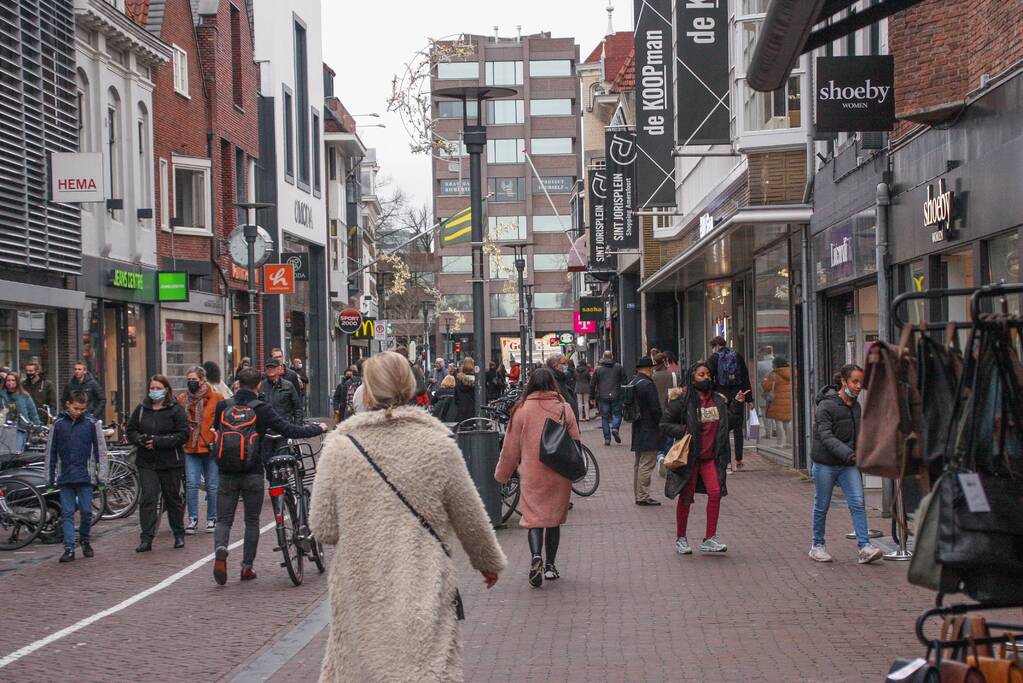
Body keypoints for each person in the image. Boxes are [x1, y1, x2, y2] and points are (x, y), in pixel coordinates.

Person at [309, 352, 505, 680]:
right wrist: (488, 562)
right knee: (425, 667)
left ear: (367, 392)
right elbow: (468, 513)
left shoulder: (340, 448)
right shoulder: (437, 444)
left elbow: (323, 528)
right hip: (422, 581)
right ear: (411, 387)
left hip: (362, 588)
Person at [212, 368, 327, 584]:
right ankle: (247, 567)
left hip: (226, 471)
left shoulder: (223, 406)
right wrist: (318, 429)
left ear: (237, 383)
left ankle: (220, 549)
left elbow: (215, 432)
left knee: (223, 519)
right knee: (252, 521)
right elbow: (289, 429)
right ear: (258, 386)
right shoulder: (261, 409)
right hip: (253, 471)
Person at [495, 368, 578, 587]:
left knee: (534, 518)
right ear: (553, 383)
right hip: (559, 472)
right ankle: (550, 566)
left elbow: (510, 448)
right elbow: (576, 442)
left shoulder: (521, 410)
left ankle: (535, 557)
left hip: (532, 472)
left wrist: (503, 475)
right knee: (554, 519)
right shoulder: (564, 408)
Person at [661, 362, 741, 555]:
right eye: (701, 374)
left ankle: (710, 538)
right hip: (689, 457)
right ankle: (681, 538)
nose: (706, 378)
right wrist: (684, 430)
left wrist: (737, 404)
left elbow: (728, 423)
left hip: (710, 457)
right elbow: (664, 423)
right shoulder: (682, 399)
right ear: (692, 377)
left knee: (715, 492)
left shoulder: (718, 400)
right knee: (686, 497)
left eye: (708, 374)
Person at [809, 364, 883, 565]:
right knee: (821, 505)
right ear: (844, 381)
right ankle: (817, 545)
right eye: (855, 382)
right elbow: (825, 435)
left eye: (861, 382)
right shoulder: (826, 406)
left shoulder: (856, 406)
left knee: (858, 503)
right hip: (826, 464)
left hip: (848, 464)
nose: (859, 386)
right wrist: (850, 455)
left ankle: (864, 547)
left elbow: (858, 434)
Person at [126, 375, 190, 552]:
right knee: (148, 498)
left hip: (170, 461)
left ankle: (178, 533)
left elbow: (184, 434)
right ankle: (146, 538)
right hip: (147, 462)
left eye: (157, 388)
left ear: (166, 390)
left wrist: (158, 441)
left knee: (173, 499)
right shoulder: (141, 409)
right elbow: (130, 430)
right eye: (152, 388)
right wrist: (140, 439)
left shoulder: (176, 410)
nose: (154, 391)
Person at [45, 391, 108, 563]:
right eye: (75, 408)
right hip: (65, 476)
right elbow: (50, 452)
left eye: (82, 409)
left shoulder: (91, 424)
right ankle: (69, 548)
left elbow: (100, 451)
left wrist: (102, 477)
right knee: (67, 513)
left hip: (85, 476)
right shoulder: (58, 424)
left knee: (87, 512)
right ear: (68, 405)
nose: (78, 412)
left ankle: (85, 539)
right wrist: (49, 479)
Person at [179, 366, 223, 534]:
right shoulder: (183, 399)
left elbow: (221, 421)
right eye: (189, 380)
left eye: (194, 380)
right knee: (191, 484)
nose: (191, 383)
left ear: (203, 380)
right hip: (190, 447)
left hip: (209, 447)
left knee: (212, 485)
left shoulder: (216, 398)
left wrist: (215, 434)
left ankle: (212, 518)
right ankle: (192, 519)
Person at [708, 337, 752, 472]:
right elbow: (745, 377)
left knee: (724, 429)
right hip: (738, 395)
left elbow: (710, 379)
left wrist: (712, 394)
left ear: (715, 346)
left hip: (722, 397)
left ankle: (727, 463)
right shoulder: (737, 356)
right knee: (738, 428)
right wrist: (749, 399)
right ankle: (739, 460)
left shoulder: (713, 358)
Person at [631, 357, 663, 507]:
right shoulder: (648, 384)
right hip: (649, 426)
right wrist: (661, 422)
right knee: (647, 463)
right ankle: (643, 496)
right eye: (651, 368)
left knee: (639, 463)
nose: (652, 370)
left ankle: (638, 493)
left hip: (637, 426)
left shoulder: (634, 382)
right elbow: (655, 407)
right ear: (648, 369)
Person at [591, 351, 626, 447]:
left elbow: (592, 384)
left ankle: (607, 438)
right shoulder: (619, 367)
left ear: (603, 357)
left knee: (605, 417)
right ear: (612, 356)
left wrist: (592, 397)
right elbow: (625, 380)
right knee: (617, 414)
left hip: (603, 396)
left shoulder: (598, 370)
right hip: (616, 395)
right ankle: (615, 428)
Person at [3, 371, 40, 451]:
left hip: (20, 429)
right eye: (8, 380)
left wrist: (39, 429)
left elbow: (33, 413)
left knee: (17, 453)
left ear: (17, 382)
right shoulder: (1, 396)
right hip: (4, 430)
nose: (10, 382)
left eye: (13, 380)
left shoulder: (24, 395)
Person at [761, 356, 794, 448]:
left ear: (776, 365)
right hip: (789, 400)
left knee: (778, 422)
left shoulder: (774, 374)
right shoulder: (792, 372)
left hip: (777, 401)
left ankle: (780, 443)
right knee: (787, 422)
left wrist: (764, 381)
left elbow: (767, 387)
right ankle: (790, 443)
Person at [260, 358, 303, 424]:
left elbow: (297, 408)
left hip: (285, 426)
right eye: (268, 367)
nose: (270, 369)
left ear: (279, 369)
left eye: (273, 367)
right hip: (267, 428)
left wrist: (297, 427)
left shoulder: (288, 385)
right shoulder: (261, 386)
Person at [451, 357, 477, 423]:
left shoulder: (459, 380)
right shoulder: (478, 380)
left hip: (461, 412)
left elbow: (456, 399)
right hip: (475, 413)